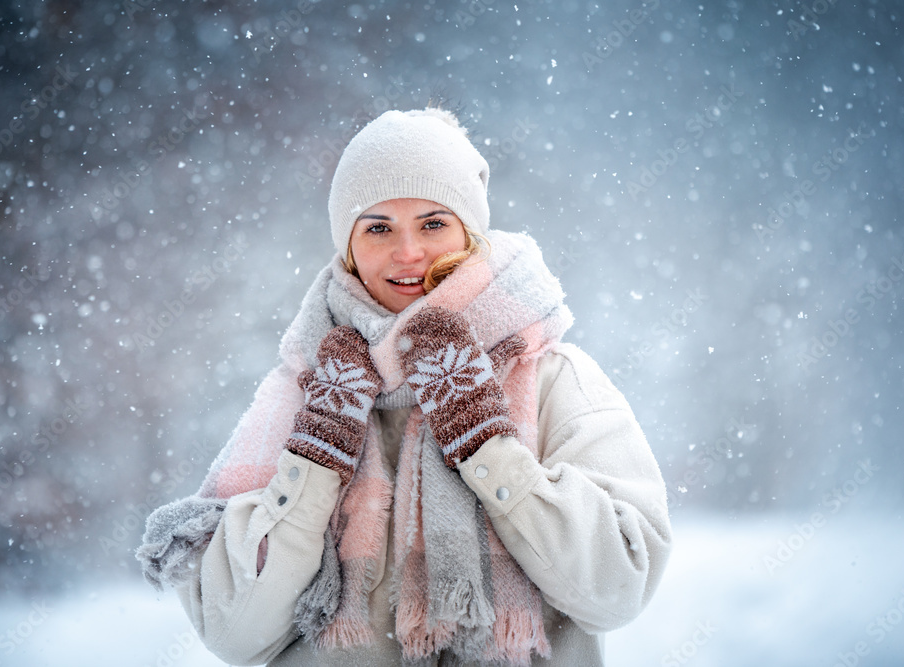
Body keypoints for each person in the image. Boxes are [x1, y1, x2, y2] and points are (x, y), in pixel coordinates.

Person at [138, 107, 672, 666]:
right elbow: (235, 632)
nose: (409, 252)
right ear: (348, 246)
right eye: (378, 228)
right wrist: (316, 461)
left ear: (470, 231)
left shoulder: (551, 375)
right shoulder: (305, 390)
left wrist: (487, 446)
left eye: (433, 223)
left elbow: (618, 591)